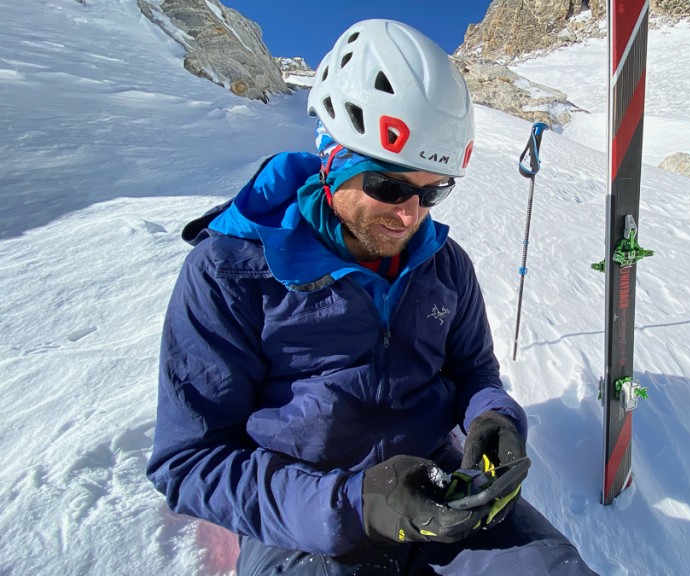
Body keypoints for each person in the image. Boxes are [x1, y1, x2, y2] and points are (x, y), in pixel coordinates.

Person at [146, 18, 597, 576]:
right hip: (306, 515)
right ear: (333, 161)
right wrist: (358, 504)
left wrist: (495, 420)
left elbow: (475, 370)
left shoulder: (445, 267)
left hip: (439, 487)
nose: (410, 215)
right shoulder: (231, 271)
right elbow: (189, 463)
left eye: (433, 190)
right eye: (389, 187)